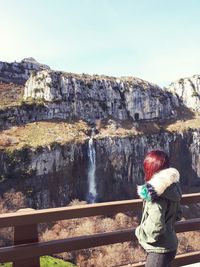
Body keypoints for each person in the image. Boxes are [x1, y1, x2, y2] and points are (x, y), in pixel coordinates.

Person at [135, 150, 182, 267]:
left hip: (159, 251)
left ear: (150, 169)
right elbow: (178, 214)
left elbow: (156, 227)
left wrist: (139, 231)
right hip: (171, 245)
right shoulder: (172, 187)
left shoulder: (156, 196)